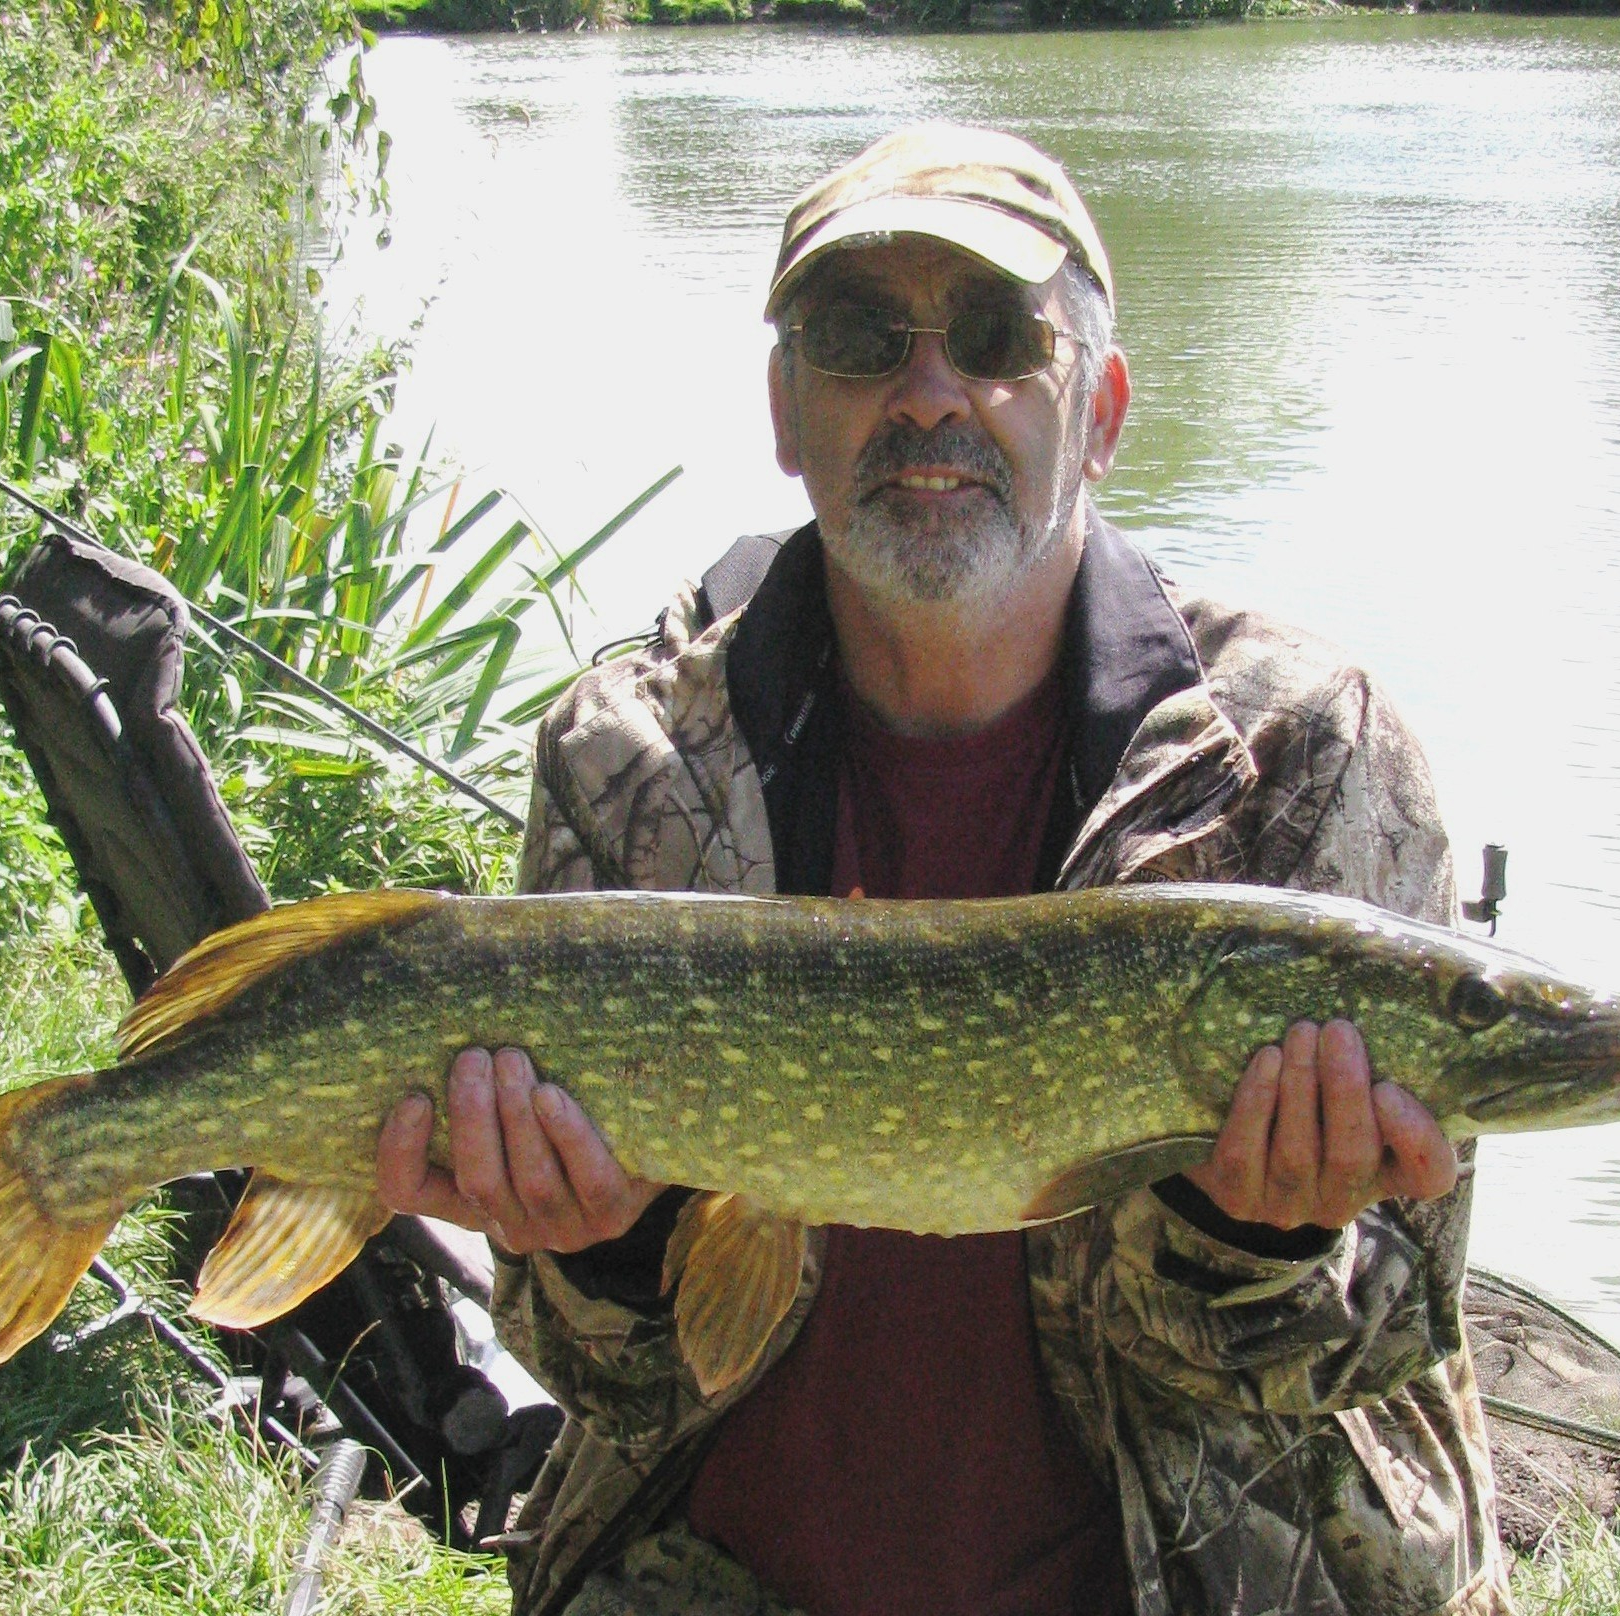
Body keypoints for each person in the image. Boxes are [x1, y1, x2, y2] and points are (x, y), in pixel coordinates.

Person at [375, 123, 1510, 1616]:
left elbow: (1395, 1327)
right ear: (787, 411)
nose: (928, 394)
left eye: (995, 339)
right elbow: (598, 1370)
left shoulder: (1304, 751)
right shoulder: (628, 758)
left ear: (1099, 411)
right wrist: (610, 1249)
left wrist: (1254, 1239)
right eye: (859, 340)